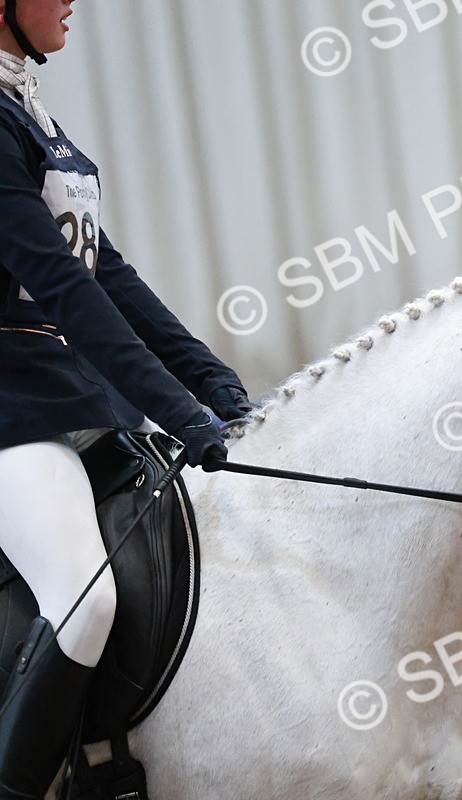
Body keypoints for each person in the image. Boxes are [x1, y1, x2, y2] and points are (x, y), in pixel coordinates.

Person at [0, 1, 252, 796]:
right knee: (83, 598)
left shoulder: (29, 113)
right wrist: (180, 414)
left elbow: (110, 275)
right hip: (9, 411)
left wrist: (214, 384)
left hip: (62, 397)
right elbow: (64, 291)